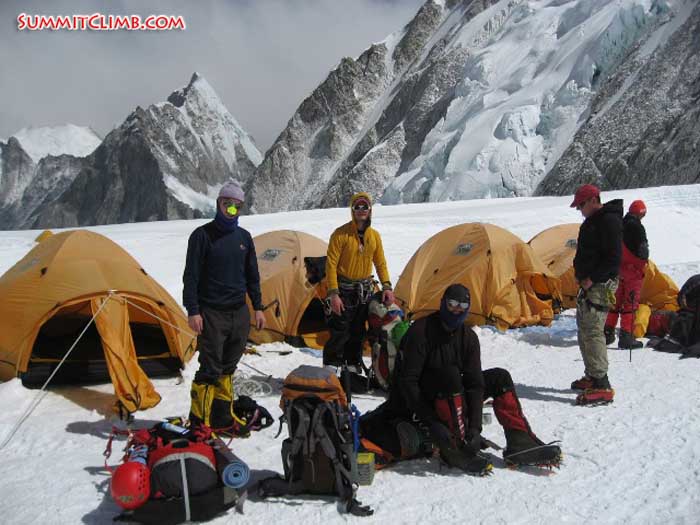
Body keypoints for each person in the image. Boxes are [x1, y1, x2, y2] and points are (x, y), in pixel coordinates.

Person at [360, 284, 562, 474]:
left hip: (451, 399)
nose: (456, 311)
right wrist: (432, 423)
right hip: (417, 403)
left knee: (499, 377)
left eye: (462, 307)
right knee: (449, 376)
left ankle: (520, 443)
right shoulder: (420, 332)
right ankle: (454, 448)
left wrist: (475, 427)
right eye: (452, 305)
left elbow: (475, 384)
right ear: (443, 303)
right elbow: (407, 383)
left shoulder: (468, 338)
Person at [183, 180, 266, 430]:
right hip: (211, 313)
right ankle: (199, 423)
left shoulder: (244, 238)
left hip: (239, 312)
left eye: (236, 206)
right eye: (227, 204)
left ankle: (221, 418)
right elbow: (191, 277)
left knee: (228, 366)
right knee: (210, 367)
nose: (231, 210)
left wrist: (258, 307)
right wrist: (193, 311)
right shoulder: (202, 236)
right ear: (218, 203)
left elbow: (252, 275)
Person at [323, 192, 394, 371]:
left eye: (365, 206)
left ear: (370, 210)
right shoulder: (340, 234)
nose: (361, 210)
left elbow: (380, 262)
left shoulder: (374, 236)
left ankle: (352, 366)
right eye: (357, 206)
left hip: (363, 291)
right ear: (352, 210)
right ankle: (330, 367)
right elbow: (330, 265)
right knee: (340, 331)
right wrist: (333, 294)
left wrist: (386, 286)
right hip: (343, 291)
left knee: (358, 330)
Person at [569, 184, 623, 405]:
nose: (580, 210)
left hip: (599, 285)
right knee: (585, 329)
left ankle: (602, 383)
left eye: (581, 205)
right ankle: (592, 375)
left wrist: (592, 278)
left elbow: (613, 259)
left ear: (593, 200)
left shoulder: (608, 221)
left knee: (592, 331)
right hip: (590, 285)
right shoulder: (596, 221)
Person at [605, 200, 649, 349]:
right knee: (630, 304)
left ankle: (607, 332)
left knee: (615, 302)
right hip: (633, 271)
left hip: (618, 269)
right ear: (641, 213)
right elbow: (643, 250)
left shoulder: (619, 223)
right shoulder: (637, 227)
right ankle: (626, 336)